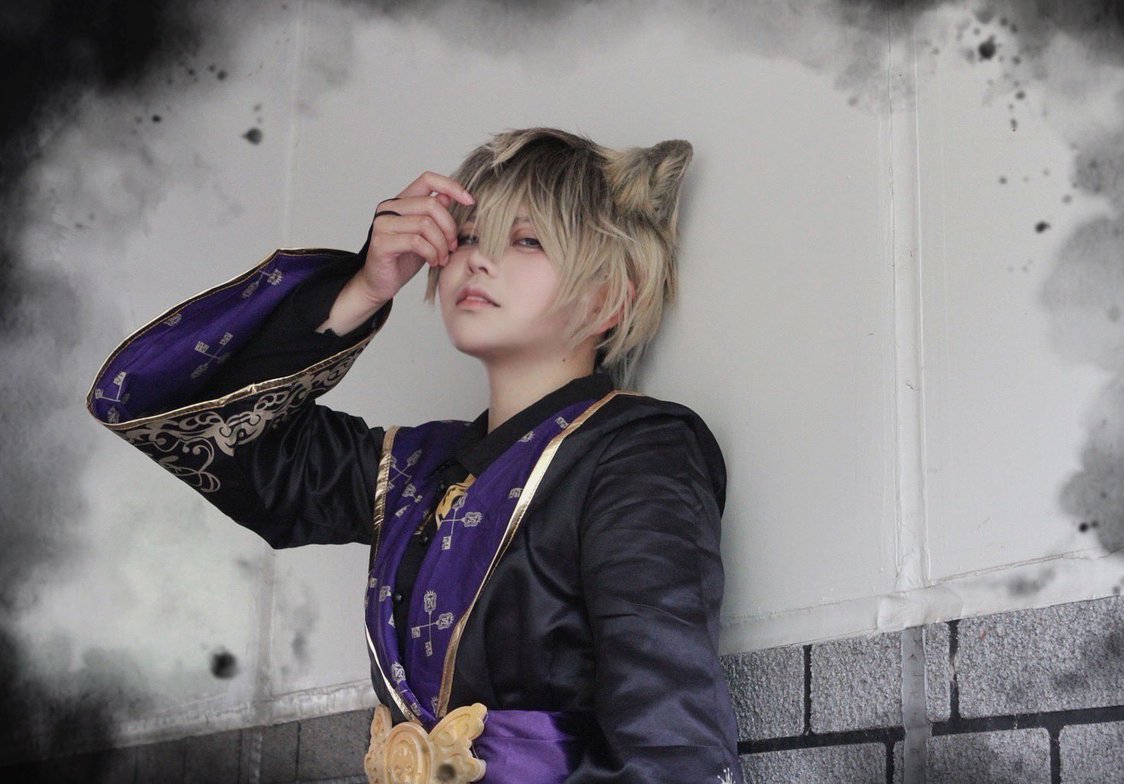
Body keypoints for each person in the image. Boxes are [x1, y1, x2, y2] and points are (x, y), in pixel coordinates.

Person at [87, 128, 743, 783]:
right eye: (467, 237)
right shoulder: (411, 469)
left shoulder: (638, 449)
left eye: (526, 240)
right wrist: (363, 289)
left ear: (610, 297)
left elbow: (671, 744)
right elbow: (188, 418)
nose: (479, 261)